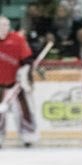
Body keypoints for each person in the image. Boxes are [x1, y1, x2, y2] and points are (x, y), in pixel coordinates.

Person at [0, 15, 38, 148]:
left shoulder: (17, 39)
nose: (3, 29)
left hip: (15, 84)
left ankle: (28, 136)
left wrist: (24, 72)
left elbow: (27, 60)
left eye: (6, 25)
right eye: (1, 25)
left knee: (23, 111)